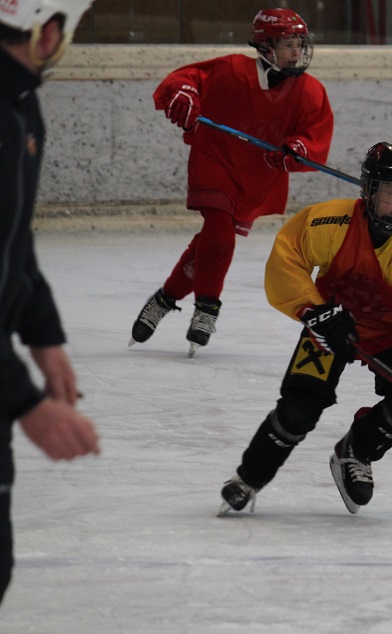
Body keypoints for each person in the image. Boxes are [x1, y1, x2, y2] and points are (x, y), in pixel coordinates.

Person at [218, 142, 392, 515]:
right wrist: (315, 311)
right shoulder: (329, 222)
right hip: (329, 325)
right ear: (369, 192)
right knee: (298, 410)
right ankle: (248, 478)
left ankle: (356, 451)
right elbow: (287, 259)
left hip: (388, 337)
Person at [130, 8, 334, 356]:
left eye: (300, 44)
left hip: (257, 177)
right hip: (215, 160)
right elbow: (185, 79)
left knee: (209, 245)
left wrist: (296, 150)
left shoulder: (310, 90)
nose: (297, 51)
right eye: (288, 44)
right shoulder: (229, 70)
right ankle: (207, 309)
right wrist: (185, 94)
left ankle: (165, 298)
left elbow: (314, 136)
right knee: (220, 235)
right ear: (265, 46)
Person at [0, 0, 101, 604]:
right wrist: (27, 404)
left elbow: (12, 236)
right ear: (49, 30)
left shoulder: (19, 103)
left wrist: (44, 333)